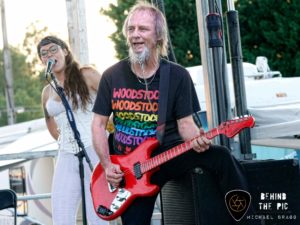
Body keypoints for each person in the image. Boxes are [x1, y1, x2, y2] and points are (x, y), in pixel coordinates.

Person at [92, 2, 249, 225]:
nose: (135, 35)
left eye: (143, 29)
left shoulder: (177, 75)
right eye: (131, 29)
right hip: (128, 170)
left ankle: (244, 217)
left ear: (158, 36)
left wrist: (198, 140)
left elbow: (185, 125)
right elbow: (98, 125)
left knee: (221, 156)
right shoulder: (112, 75)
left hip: (167, 155)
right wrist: (108, 165)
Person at [38, 36, 108, 225]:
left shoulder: (87, 74)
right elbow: (51, 123)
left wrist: (108, 136)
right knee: (61, 211)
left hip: (94, 149)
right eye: (43, 54)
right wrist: (64, 141)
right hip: (66, 153)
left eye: (53, 50)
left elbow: (113, 104)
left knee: (97, 211)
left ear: (65, 51)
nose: (49, 55)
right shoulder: (47, 91)